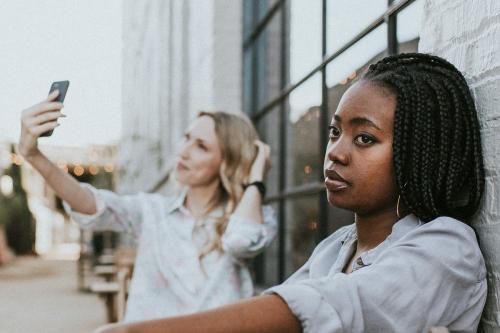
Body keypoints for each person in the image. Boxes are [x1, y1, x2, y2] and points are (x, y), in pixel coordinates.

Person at [96, 52, 487, 333]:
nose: (335, 151)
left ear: (420, 152)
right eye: (335, 132)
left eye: (364, 138)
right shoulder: (335, 248)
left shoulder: (446, 248)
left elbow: (338, 305)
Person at [18, 104, 277, 322]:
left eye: (201, 146)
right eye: (186, 138)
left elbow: (242, 241)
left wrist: (256, 180)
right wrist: (33, 155)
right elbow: (91, 204)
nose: (183, 151)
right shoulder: (152, 212)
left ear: (228, 161)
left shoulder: (252, 216)